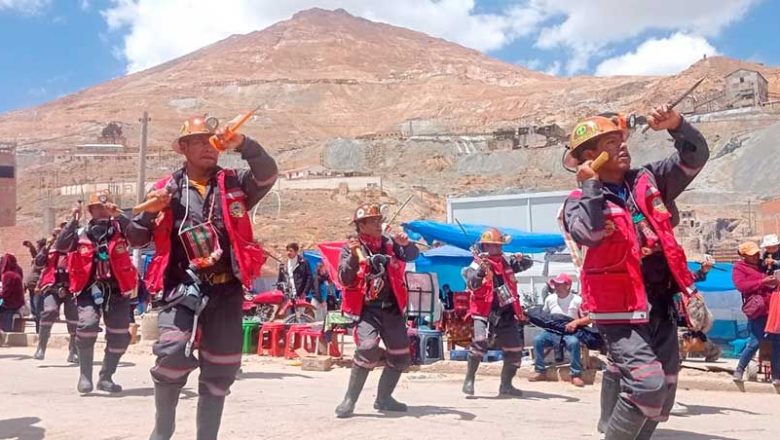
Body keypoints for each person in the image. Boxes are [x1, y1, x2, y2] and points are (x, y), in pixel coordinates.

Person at [560, 106, 709, 439]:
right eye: (610, 144)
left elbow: (695, 157)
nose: (622, 146)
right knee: (647, 385)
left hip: (661, 303)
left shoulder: (649, 179)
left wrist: (678, 126)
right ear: (588, 156)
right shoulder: (576, 202)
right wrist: (591, 187)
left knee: (663, 391)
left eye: (621, 140)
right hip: (621, 310)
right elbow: (591, 234)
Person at [126, 115, 277, 440]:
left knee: (220, 370)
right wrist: (150, 212)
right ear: (184, 148)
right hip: (181, 286)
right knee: (171, 355)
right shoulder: (166, 188)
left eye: (214, 143)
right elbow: (136, 238)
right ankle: (162, 429)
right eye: (199, 142)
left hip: (226, 289)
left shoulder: (235, 183)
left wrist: (245, 145)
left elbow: (268, 175)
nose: (209, 149)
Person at [334, 203, 419, 418]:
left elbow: (412, 255)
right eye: (373, 221)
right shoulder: (351, 247)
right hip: (367, 310)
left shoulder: (390, 243)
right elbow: (344, 277)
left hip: (391, 309)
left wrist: (406, 245)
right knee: (367, 346)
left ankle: (384, 398)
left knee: (401, 355)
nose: (378, 224)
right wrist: (355, 257)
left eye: (379, 220)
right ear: (361, 225)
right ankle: (349, 400)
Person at [56, 192, 138, 394]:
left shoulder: (121, 230)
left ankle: (106, 377)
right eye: (97, 208)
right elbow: (62, 246)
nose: (102, 211)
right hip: (87, 289)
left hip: (117, 289)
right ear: (90, 211)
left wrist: (120, 216)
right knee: (87, 326)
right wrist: (72, 222)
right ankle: (85, 376)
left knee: (120, 336)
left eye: (105, 207)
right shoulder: (80, 233)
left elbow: (138, 238)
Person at [461, 227, 533, 397]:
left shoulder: (507, 262)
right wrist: (480, 272)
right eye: (492, 246)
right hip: (484, 311)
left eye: (499, 246)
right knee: (480, 342)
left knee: (515, 350)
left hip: (506, 310)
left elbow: (527, 264)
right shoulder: (475, 264)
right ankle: (469, 378)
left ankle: (506, 385)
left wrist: (522, 258)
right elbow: (472, 284)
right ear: (485, 246)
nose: (497, 249)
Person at [529, 273, 590, 387]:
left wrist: (575, 322)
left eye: (559, 284)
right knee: (538, 340)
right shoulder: (550, 298)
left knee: (573, 342)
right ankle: (540, 371)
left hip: (570, 331)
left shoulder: (577, 300)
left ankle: (575, 374)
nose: (556, 287)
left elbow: (589, 318)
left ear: (567, 286)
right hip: (552, 331)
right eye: (555, 284)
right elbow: (545, 315)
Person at [732, 241, 780, 385]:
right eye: (752, 254)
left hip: (772, 308)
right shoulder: (739, 268)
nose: (756, 256)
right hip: (758, 309)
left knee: (777, 342)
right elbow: (741, 286)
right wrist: (762, 282)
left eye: (757, 253)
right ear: (744, 256)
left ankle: (776, 375)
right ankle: (739, 369)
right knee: (755, 341)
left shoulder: (764, 264)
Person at [33, 223, 79, 363]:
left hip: (71, 289)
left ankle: (73, 350)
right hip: (52, 288)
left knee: (73, 319)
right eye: (57, 234)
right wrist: (47, 247)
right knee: (50, 311)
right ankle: (41, 347)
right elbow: (38, 264)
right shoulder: (50, 251)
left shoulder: (76, 250)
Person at [22, 238, 47, 333]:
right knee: (34, 310)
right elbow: (35, 254)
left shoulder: (43, 257)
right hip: (31, 287)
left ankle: (41, 330)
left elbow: (38, 255)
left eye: (38, 246)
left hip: (38, 287)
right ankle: (38, 329)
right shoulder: (37, 258)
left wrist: (32, 247)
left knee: (38, 308)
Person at [0, 254, 25, 331]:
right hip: (17, 302)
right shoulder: (15, 273)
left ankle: (4, 332)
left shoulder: (8, 275)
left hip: (11, 303)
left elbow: (5, 293)